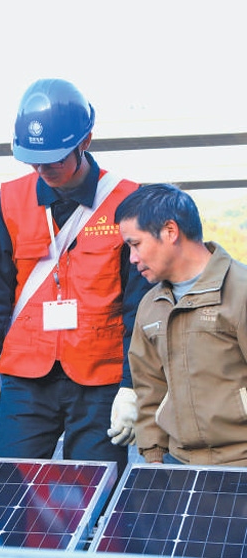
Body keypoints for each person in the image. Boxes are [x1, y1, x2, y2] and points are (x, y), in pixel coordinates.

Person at [0, 78, 151, 477]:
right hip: (26, 377)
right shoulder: (10, 200)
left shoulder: (127, 201)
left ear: (86, 141)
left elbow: (140, 306)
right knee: (10, 490)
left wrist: (132, 385)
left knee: (98, 493)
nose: (43, 169)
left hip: (100, 380)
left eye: (54, 159)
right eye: (34, 160)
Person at [115, 182, 247, 467]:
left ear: (170, 231)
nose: (132, 258)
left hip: (240, 462)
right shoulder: (150, 305)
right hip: (178, 464)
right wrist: (154, 459)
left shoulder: (241, 291)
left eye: (135, 244)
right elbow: (149, 390)